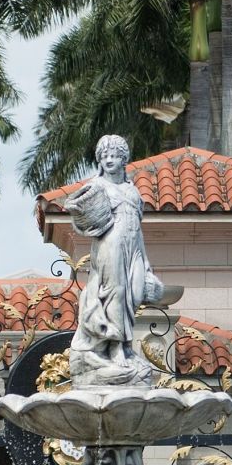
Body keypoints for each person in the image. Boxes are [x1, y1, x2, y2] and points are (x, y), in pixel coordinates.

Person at [63, 134, 164, 387]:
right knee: (116, 292)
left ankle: (125, 346)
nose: (108, 159)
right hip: (110, 244)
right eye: (103, 156)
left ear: (123, 158)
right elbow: (80, 219)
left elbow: (138, 230)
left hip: (133, 246)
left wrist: (147, 263)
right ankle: (117, 347)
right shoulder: (97, 186)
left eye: (113, 155)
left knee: (135, 293)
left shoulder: (132, 190)